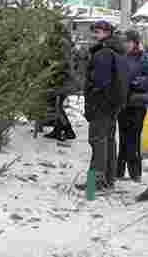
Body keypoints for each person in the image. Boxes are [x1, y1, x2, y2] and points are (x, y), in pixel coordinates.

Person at [76, 20, 129, 192]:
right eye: (94, 30)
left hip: (101, 106)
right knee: (108, 142)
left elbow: (100, 83)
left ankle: (94, 185)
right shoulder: (118, 52)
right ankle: (108, 181)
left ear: (107, 33)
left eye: (97, 31)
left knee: (97, 143)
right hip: (113, 106)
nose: (94, 34)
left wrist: (93, 101)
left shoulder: (103, 53)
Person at [116, 30, 147, 182]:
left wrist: (136, 82)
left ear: (135, 42)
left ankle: (135, 173)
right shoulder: (121, 57)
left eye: (127, 41)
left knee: (133, 139)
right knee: (122, 137)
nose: (125, 44)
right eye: (123, 42)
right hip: (123, 102)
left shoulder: (144, 57)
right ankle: (119, 171)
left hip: (137, 103)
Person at [44, 25, 77, 141]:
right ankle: (57, 130)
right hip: (60, 78)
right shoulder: (59, 42)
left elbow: (64, 62)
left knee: (57, 106)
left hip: (63, 79)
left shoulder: (62, 43)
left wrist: (51, 64)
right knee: (56, 105)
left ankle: (68, 130)